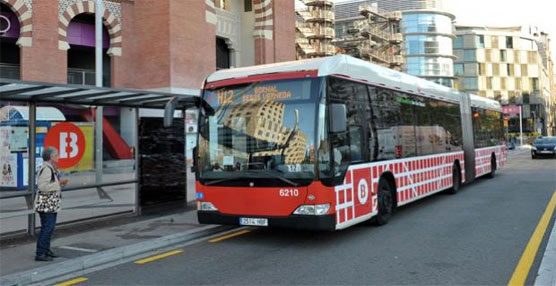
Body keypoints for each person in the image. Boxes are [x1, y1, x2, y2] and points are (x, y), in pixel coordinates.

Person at [34, 147, 68, 262]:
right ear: (51, 157)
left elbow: (50, 184)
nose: (58, 157)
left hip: (50, 203)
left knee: (50, 227)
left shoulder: (51, 168)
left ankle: (46, 250)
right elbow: (42, 186)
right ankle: (40, 253)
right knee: (47, 228)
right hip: (46, 203)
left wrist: (59, 184)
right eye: (56, 155)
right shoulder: (46, 169)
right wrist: (58, 184)